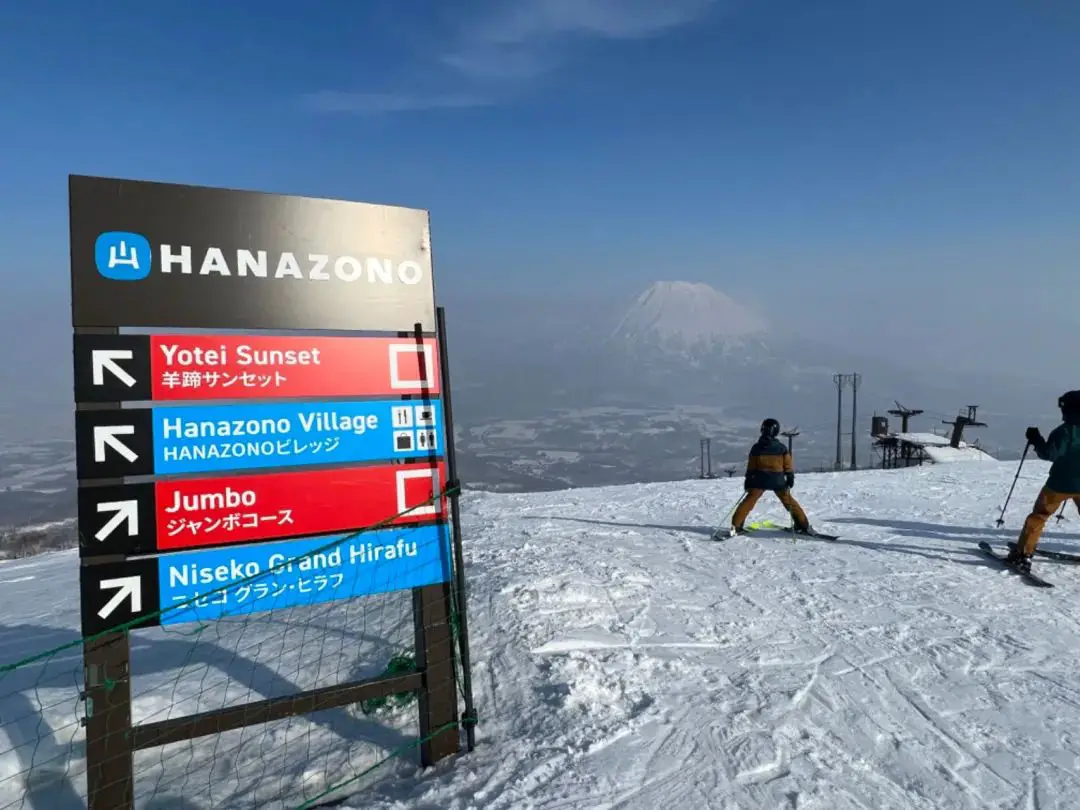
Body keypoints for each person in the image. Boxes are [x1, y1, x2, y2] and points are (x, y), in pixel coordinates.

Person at [1007, 390, 1080, 574]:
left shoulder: (1063, 431)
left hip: (1059, 484)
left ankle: (1023, 555)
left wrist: (1036, 439)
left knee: (1039, 516)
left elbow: (1049, 454)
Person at [729, 418, 815, 535]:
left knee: (749, 501)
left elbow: (751, 466)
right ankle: (803, 525)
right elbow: (788, 465)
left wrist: (748, 480)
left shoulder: (756, 448)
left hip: (759, 480)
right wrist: (790, 477)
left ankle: (736, 526)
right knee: (788, 500)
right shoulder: (781, 448)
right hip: (777, 480)